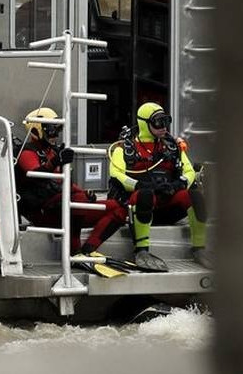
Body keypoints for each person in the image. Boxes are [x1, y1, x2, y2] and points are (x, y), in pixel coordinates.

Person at [107, 102, 210, 270]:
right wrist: (140, 185)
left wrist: (177, 185)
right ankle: (141, 251)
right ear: (144, 123)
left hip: (166, 207)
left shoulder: (172, 146)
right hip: (138, 208)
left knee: (195, 196)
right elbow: (116, 175)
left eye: (165, 121)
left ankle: (199, 248)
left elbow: (189, 171)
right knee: (145, 194)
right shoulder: (124, 148)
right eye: (158, 122)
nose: (163, 127)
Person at [15, 107, 124, 254]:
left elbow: (64, 183)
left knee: (118, 207)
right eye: (52, 129)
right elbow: (35, 174)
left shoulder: (53, 152)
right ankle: (74, 251)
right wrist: (54, 162)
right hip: (42, 211)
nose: (56, 134)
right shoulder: (27, 152)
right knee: (77, 200)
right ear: (37, 130)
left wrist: (85, 194)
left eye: (58, 129)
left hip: (66, 208)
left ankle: (88, 249)